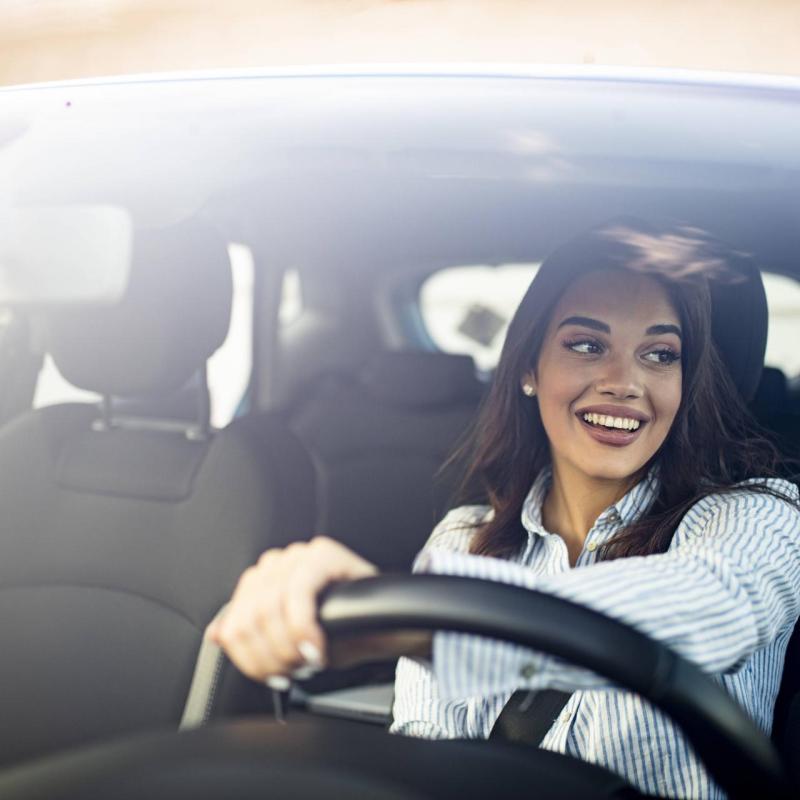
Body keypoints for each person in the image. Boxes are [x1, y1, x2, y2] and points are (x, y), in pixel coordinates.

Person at [207, 218, 800, 799]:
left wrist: (419, 625)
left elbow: (712, 607)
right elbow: (423, 754)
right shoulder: (462, 540)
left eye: (660, 355)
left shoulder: (760, 517)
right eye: (587, 345)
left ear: (684, 382)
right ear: (526, 370)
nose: (624, 381)